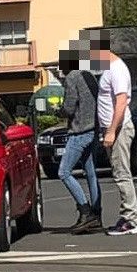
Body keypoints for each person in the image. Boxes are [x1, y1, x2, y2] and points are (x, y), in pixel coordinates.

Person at [91, 31, 137, 236]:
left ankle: (130, 219)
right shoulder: (108, 69)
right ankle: (128, 217)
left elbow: (121, 103)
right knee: (119, 173)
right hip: (113, 129)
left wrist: (111, 131)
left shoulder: (117, 69)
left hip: (119, 129)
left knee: (122, 174)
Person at [56, 42, 102, 234]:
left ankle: (85, 210)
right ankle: (97, 213)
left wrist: (58, 112)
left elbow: (69, 107)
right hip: (93, 129)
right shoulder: (89, 75)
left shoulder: (72, 78)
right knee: (91, 173)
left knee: (63, 172)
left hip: (79, 131)